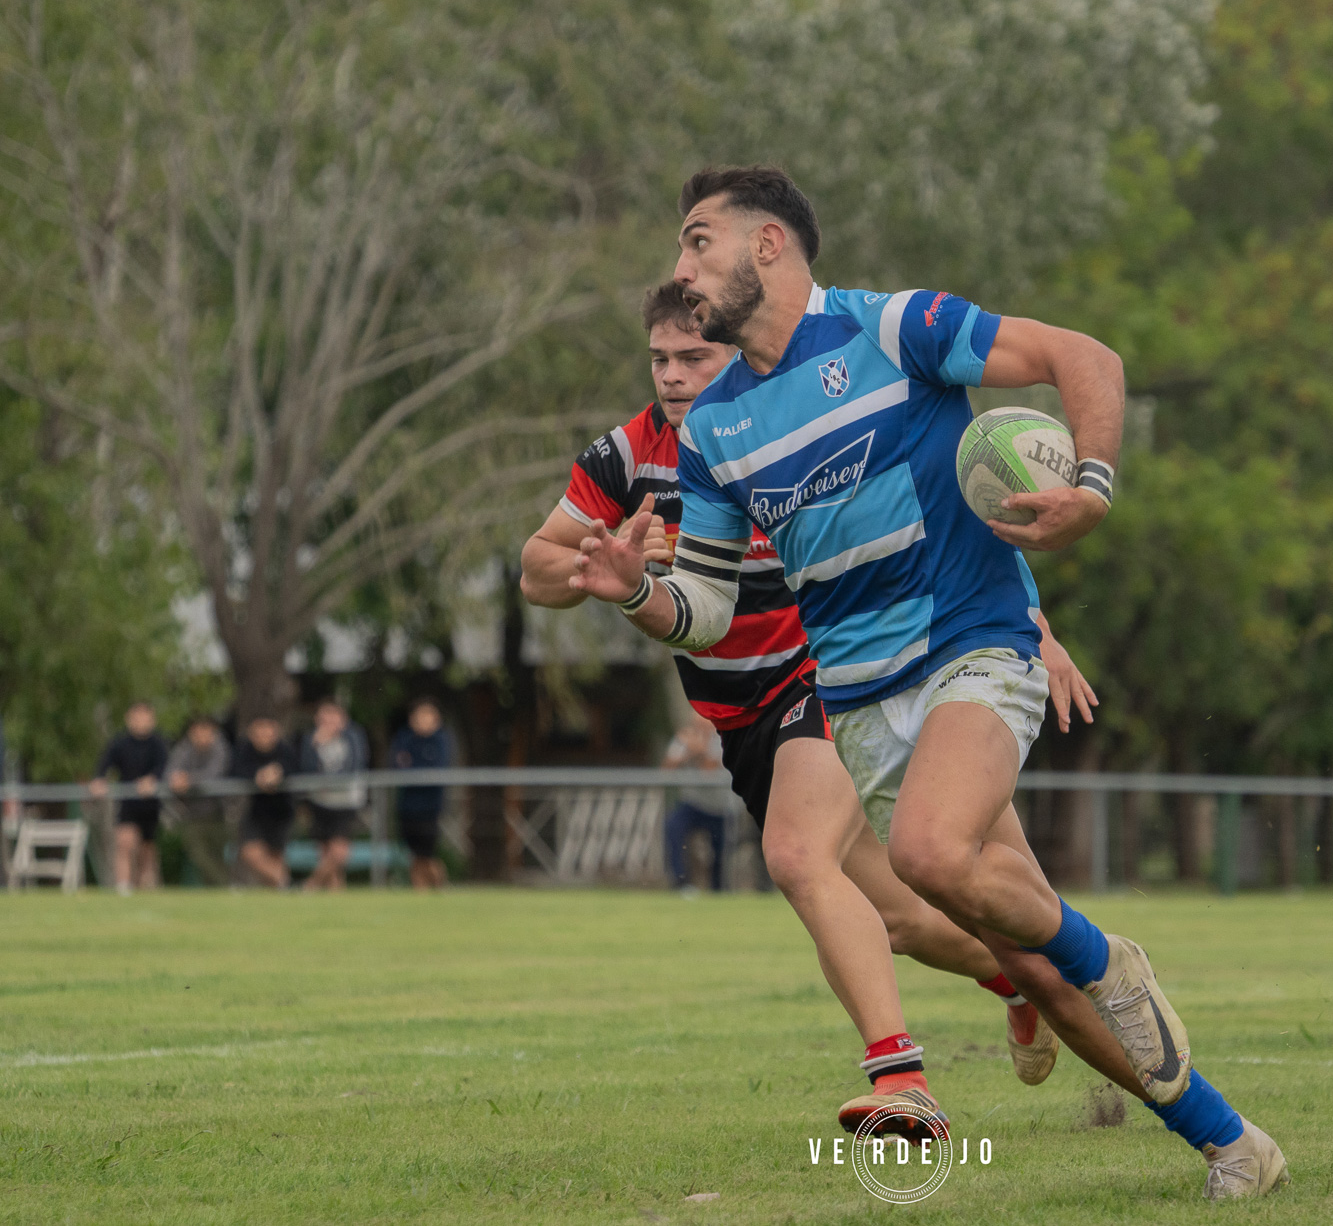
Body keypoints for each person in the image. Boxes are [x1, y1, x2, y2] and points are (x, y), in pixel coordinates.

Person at [569, 166, 1286, 1198]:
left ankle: (1110, 957)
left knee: (931, 855)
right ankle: (1233, 1143)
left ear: (770, 245)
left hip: (975, 646)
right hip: (860, 703)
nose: (679, 267)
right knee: (1025, 951)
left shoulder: (892, 328)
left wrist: (1092, 483)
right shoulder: (714, 427)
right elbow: (708, 608)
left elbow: (1082, 355)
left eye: (696, 241)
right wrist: (636, 589)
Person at [522, 282, 1085, 1141]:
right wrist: (610, 569)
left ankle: (902, 1081)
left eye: (694, 358)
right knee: (897, 918)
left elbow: (921, 523)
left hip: (829, 673)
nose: (673, 377)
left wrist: (1032, 624)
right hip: (736, 714)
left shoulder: (786, 421)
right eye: (660, 360)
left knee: (794, 852)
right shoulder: (627, 455)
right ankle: (1028, 979)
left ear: (736, 354)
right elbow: (535, 569)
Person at [89, 701, 170, 895]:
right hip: (128, 803)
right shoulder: (120, 743)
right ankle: (123, 885)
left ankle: (143, 887)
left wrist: (152, 781)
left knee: (146, 851)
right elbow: (105, 764)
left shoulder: (159, 743)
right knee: (125, 842)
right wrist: (99, 780)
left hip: (151, 805)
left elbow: (165, 768)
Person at [299, 699, 369, 891]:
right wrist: (315, 746)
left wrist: (326, 781)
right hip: (320, 802)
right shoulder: (311, 739)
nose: (329, 720)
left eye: (333, 715)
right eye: (324, 715)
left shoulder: (353, 737)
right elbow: (306, 769)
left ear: (343, 719)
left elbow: (352, 768)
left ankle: (310, 885)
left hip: (346, 802)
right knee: (325, 854)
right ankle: (336, 896)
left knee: (338, 853)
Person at [231, 714, 300, 888]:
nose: (263, 735)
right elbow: (236, 770)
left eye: (267, 731)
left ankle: (278, 897)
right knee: (250, 853)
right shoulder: (244, 749)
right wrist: (258, 775)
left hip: (282, 810)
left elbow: (294, 768)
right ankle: (286, 883)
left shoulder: (286, 750)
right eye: (259, 731)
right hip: (256, 811)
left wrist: (277, 772)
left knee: (276, 856)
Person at [662, 716, 729, 893]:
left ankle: (718, 889)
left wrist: (697, 750)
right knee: (673, 827)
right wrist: (688, 751)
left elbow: (709, 770)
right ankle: (681, 883)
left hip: (718, 807)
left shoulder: (723, 738)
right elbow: (667, 770)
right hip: (692, 804)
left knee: (719, 849)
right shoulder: (684, 738)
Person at [390, 700, 451, 890]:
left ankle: (441, 886)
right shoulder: (405, 738)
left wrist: (413, 766)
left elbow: (436, 767)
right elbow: (397, 763)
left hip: (430, 807)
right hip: (407, 806)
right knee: (414, 854)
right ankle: (420, 891)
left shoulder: (440, 741)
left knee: (427, 853)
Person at [166, 717, 232, 886]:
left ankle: (219, 892)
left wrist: (189, 780)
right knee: (198, 853)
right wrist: (176, 780)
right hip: (192, 814)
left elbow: (215, 774)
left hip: (219, 814)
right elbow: (171, 773)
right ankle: (227, 885)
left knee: (215, 854)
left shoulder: (220, 748)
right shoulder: (183, 749)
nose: (201, 735)